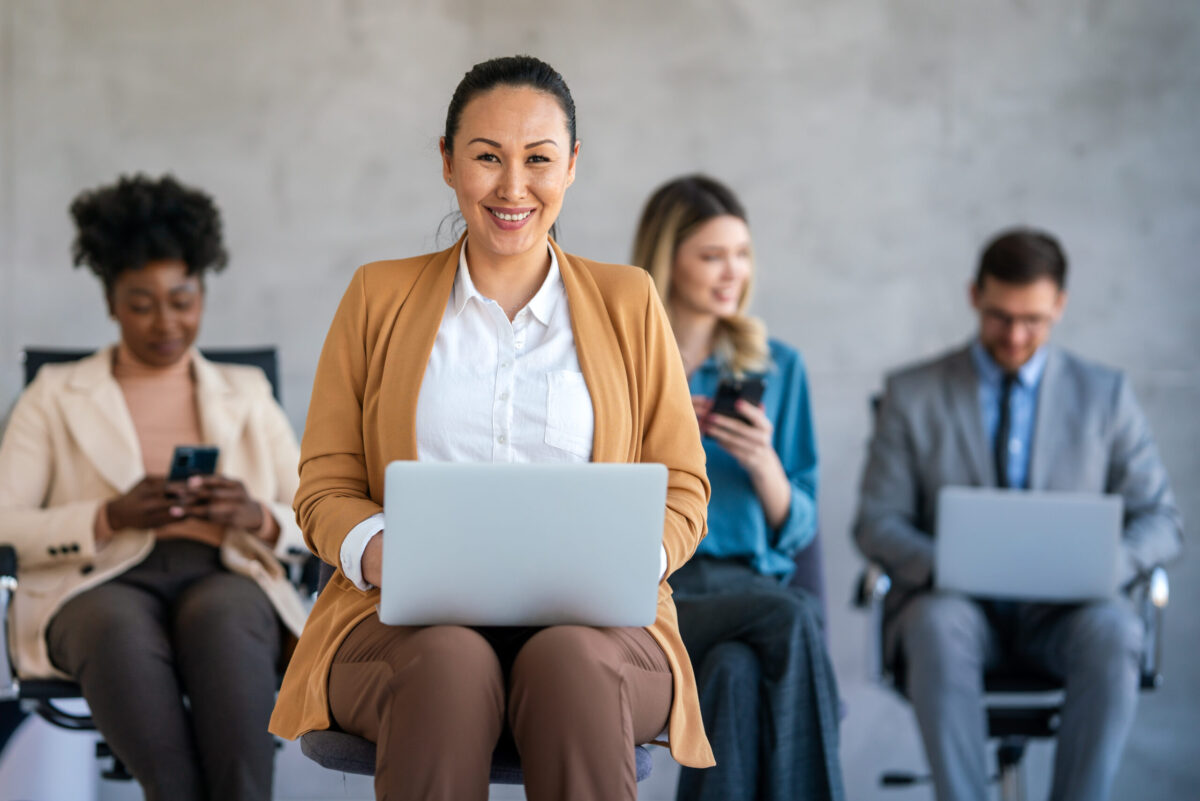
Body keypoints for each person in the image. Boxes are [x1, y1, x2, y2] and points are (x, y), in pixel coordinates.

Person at [268, 55, 715, 801]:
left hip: (600, 633)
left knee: (571, 663)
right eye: (486, 157)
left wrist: (636, 561)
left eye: (539, 159)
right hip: (397, 624)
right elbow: (326, 482)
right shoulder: (379, 294)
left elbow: (685, 485)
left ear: (572, 166)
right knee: (449, 662)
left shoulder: (629, 300)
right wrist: (379, 553)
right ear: (447, 163)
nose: (513, 187)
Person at [0, 174, 307, 801]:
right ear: (111, 303)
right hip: (96, 582)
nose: (165, 322)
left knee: (226, 619)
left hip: (224, 573)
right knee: (115, 628)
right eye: (141, 304)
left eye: (182, 298)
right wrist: (107, 515)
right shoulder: (53, 394)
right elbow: (4, 522)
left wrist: (257, 516)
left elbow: (321, 515)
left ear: (202, 293)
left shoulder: (247, 394)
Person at [853, 228, 1183, 801]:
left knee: (1116, 630)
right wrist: (949, 565)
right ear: (973, 295)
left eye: (1033, 319)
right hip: (954, 610)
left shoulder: (1105, 396)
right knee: (936, 623)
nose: (1015, 335)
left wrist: (1109, 565)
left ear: (1060, 305)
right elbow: (877, 521)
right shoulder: (914, 393)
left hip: (1069, 615)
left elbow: (1161, 519)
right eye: (1000, 316)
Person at [631, 175, 845, 801]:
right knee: (791, 613)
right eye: (712, 255)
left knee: (734, 674)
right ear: (667, 258)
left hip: (749, 591)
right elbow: (593, 497)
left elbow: (798, 524)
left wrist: (764, 465)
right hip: (661, 594)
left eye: (742, 253)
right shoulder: (627, 360)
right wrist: (665, 443)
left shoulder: (779, 367)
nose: (734, 273)